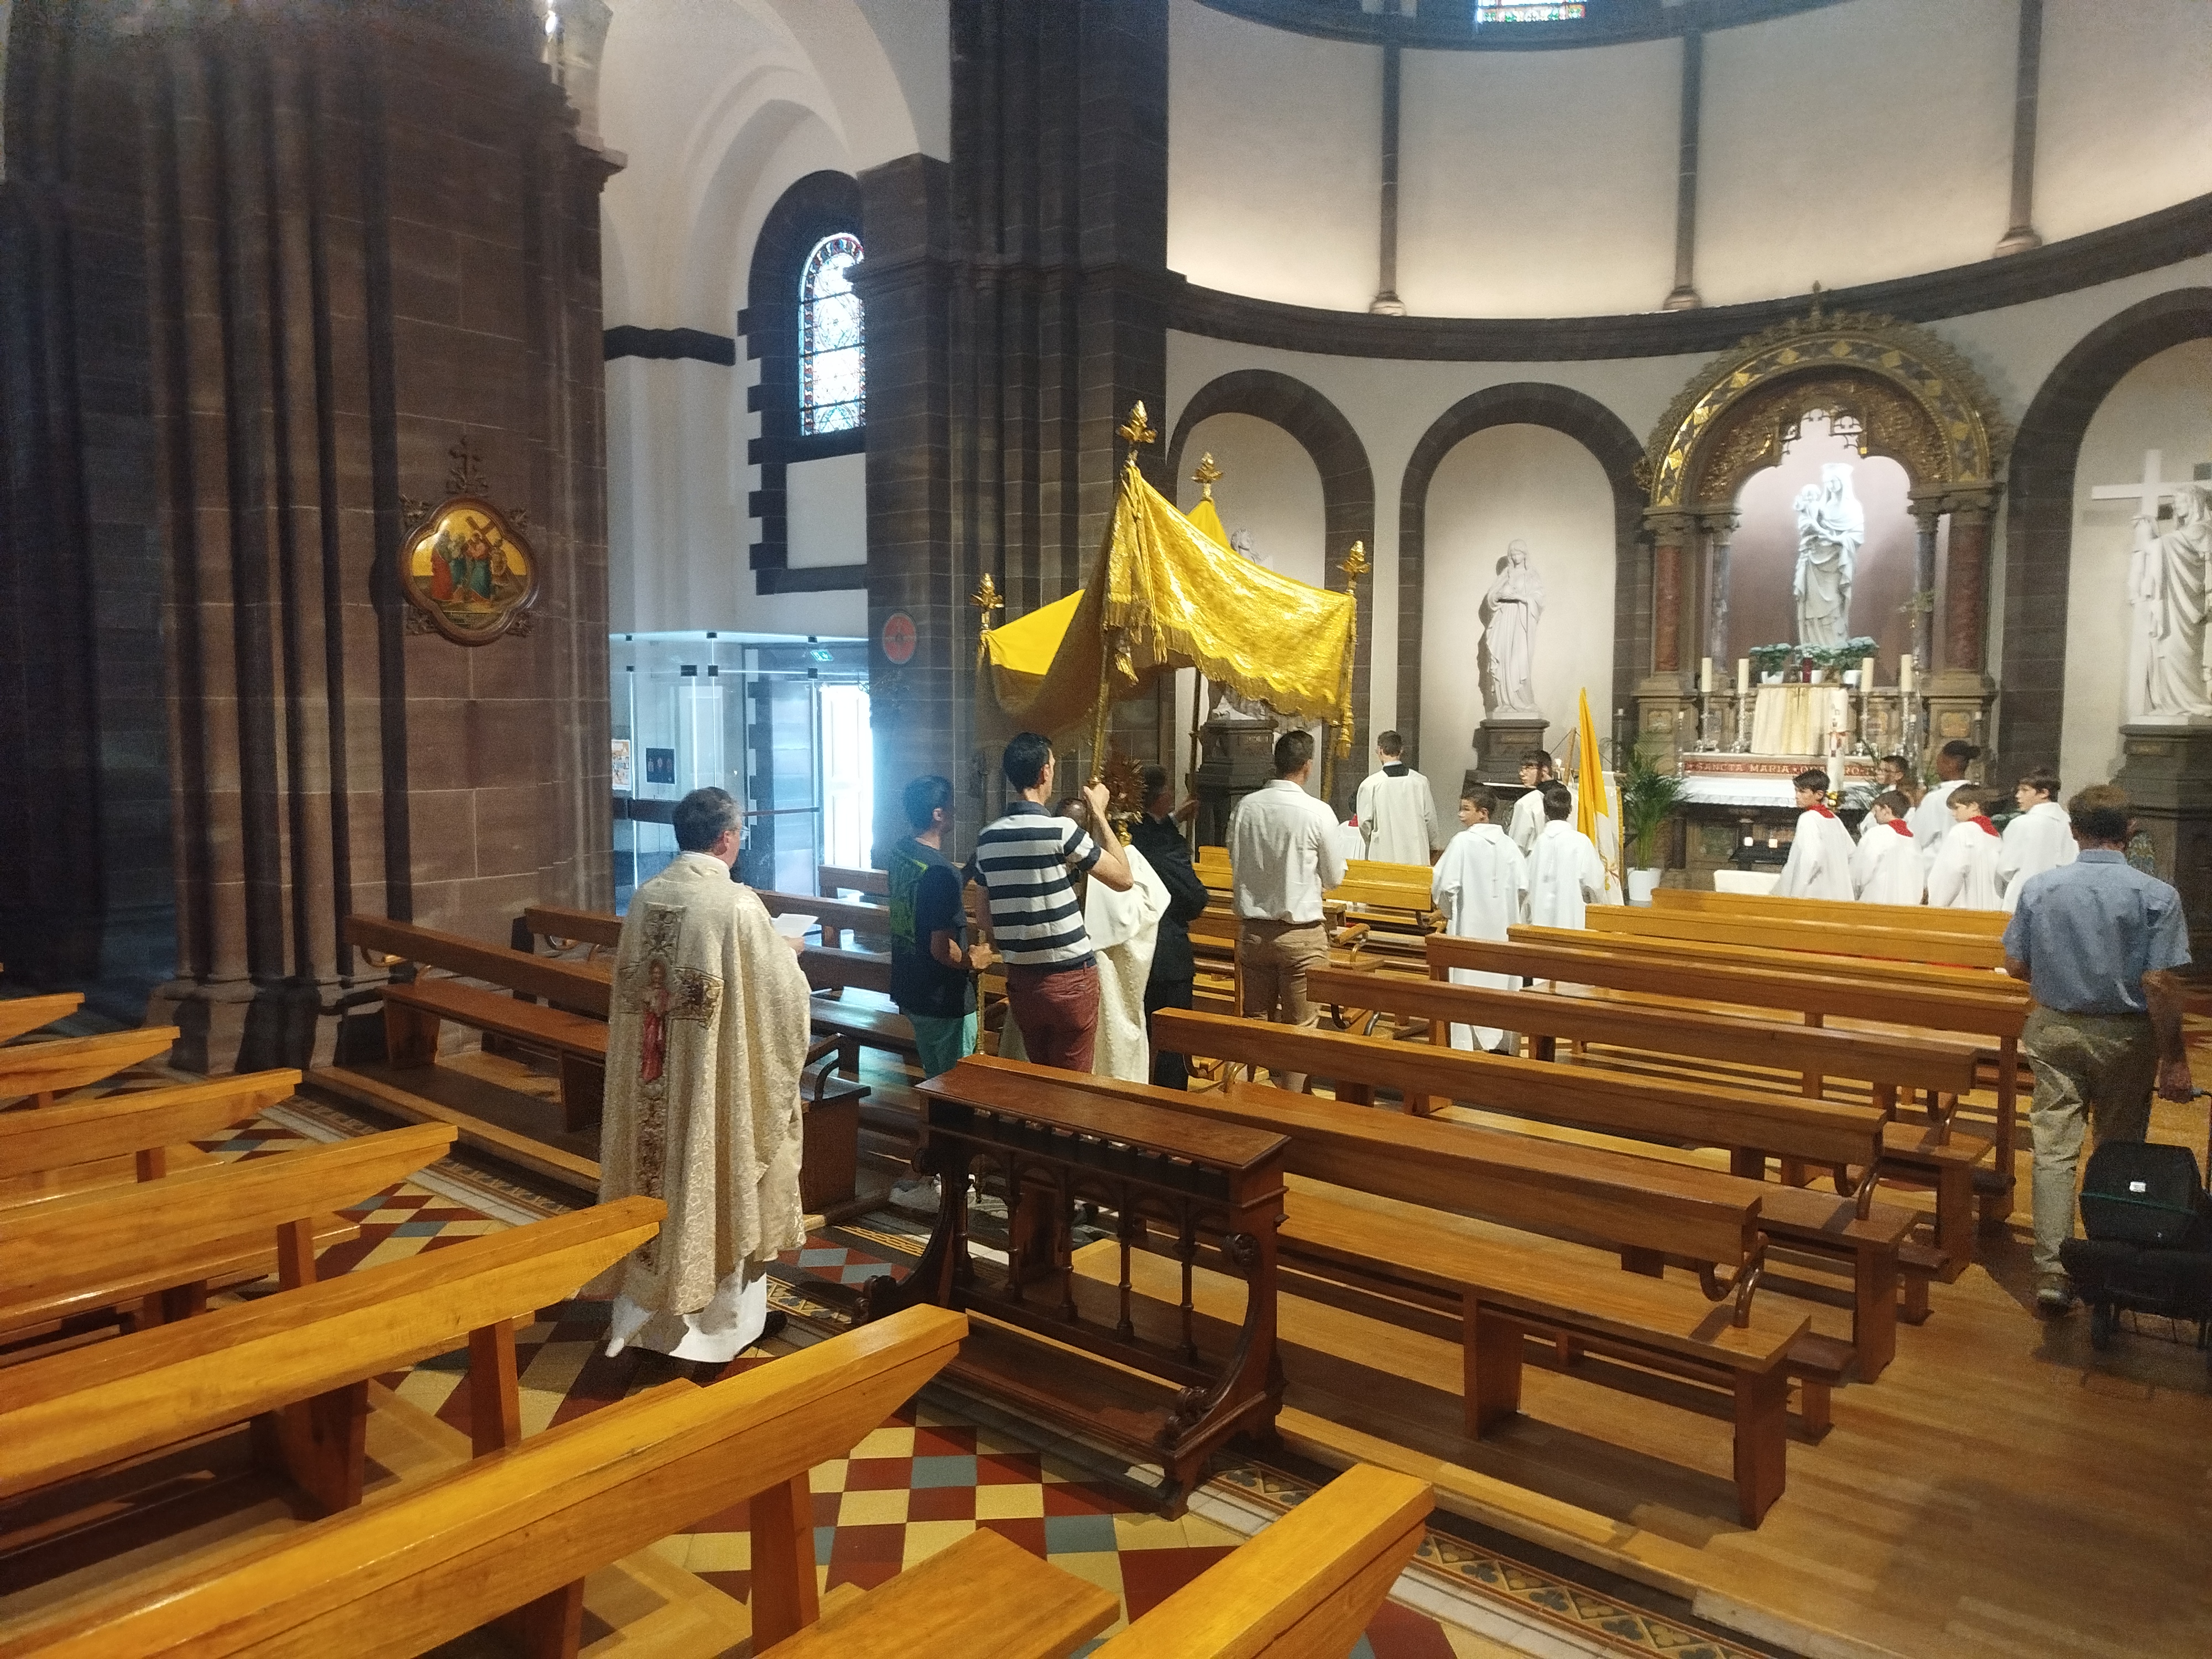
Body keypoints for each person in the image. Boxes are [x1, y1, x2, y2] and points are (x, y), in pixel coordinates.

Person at [594, 786, 811, 1362]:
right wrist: (788, 952)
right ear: (726, 839)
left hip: (654, 1068)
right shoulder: (736, 906)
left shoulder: (646, 897)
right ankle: (716, 1335)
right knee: (713, 1173)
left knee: (654, 1176)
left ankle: (642, 1318)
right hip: (709, 1085)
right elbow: (781, 999)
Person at [2002, 784, 2194, 1313]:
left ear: (2074, 830)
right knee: (2118, 1147)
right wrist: (2175, 1057)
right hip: (2124, 1035)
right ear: (2129, 830)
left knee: (2053, 1150)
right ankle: (2109, 1262)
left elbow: (2016, 965)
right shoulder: (2155, 894)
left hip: (2055, 1027)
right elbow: (2159, 983)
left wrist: (2062, 976)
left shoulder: (2042, 887)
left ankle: (2053, 1271)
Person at [968, 732, 1133, 1073]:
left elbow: (984, 918)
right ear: (1045, 772)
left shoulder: (988, 839)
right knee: (1070, 1084)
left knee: (1041, 1078)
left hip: (1023, 980)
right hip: (1069, 977)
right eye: (1053, 765)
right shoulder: (1060, 830)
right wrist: (1099, 813)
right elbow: (1123, 879)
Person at [1228, 729, 1346, 1091]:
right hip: (1300, 935)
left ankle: (1244, 1098)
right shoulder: (1317, 812)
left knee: (1255, 1020)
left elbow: (1235, 857)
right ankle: (1291, 1106)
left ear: (1275, 764)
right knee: (1301, 1028)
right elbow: (1334, 877)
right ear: (1308, 766)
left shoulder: (1246, 807)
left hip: (1253, 931)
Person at [887, 775, 989, 1080]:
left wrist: (967, 871)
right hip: (942, 999)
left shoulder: (901, 853)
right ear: (938, 814)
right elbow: (942, 950)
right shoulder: (942, 872)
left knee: (933, 1078)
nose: (955, 810)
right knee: (953, 1085)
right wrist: (973, 960)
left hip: (910, 986)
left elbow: (926, 900)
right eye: (951, 806)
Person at [1431, 785, 1529, 1051]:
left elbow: (1443, 885)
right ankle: (1503, 1042)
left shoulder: (1462, 843)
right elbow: (1523, 888)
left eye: (1466, 809)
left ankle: (1467, 1042)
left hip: (1469, 924)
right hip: (1502, 928)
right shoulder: (1509, 846)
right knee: (1500, 981)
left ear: (1483, 813)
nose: (1460, 815)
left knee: (1469, 978)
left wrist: (1449, 913)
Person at [1130, 766, 1210, 1089]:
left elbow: (1151, 835)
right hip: (1165, 956)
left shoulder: (1122, 834)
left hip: (1129, 952)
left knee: (1137, 1039)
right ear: (1160, 798)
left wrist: (1175, 819)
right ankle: (1169, 1104)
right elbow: (1193, 898)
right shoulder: (1167, 845)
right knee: (1170, 1045)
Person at [1526, 784, 1608, 929]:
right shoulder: (1581, 841)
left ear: (1545, 812)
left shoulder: (1539, 843)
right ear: (1570, 810)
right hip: (1572, 920)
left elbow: (1528, 881)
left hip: (1540, 923)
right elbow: (1595, 884)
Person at [1353, 731, 1441, 866]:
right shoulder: (1420, 782)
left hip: (1383, 853)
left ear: (1380, 750)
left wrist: (1375, 841)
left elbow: (1365, 824)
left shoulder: (1370, 784)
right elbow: (1430, 820)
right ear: (1401, 750)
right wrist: (1434, 847)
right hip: (1416, 855)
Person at [1999, 767, 2077, 911]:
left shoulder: (2021, 823)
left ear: (2044, 793)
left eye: (2025, 790)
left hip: (2023, 896)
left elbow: (2006, 869)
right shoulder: (2068, 822)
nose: (2018, 796)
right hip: (2060, 899)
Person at [1773, 769, 1857, 901]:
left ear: (1819, 794)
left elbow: (1810, 860)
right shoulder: (1834, 819)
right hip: (1838, 893)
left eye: (1802, 792)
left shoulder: (1808, 819)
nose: (1797, 796)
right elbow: (1852, 853)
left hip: (1814, 893)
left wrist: (1796, 894)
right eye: (1796, 791)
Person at [1926, 785, 2004, 909]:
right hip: (1992, 910)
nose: (1953, 814)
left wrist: (1936, 904)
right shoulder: (1996, 836)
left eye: (1957, 808)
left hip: (1965, 910)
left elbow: (1950, 872)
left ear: (1974, 806)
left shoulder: (1962, 831)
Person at [1906, 740, 1979, 866]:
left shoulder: (1936, 798)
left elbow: (1916, 837)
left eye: (1939, 762)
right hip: (1971, 863)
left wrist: (1915, 808)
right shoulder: (1976, 794)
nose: (1937, 768)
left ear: (1950, 765)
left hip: (1939, 866)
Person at [1851, 789, 1923, 905]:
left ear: (1886, 809)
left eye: (1876, 811)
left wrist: (1854, 895)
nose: (1874, 816)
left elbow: (1860, 872)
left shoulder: (1877, 834)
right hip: (1907, 904)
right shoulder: (1914, 838)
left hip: (1876, 902)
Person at [1506, 750, 1561, 855]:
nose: (1521, 774)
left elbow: (1517, 846)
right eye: (1522, 769)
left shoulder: (1527, 803)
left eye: (1528, 768)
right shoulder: (1574, 797)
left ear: (1544, 770)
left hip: (1537, 860)